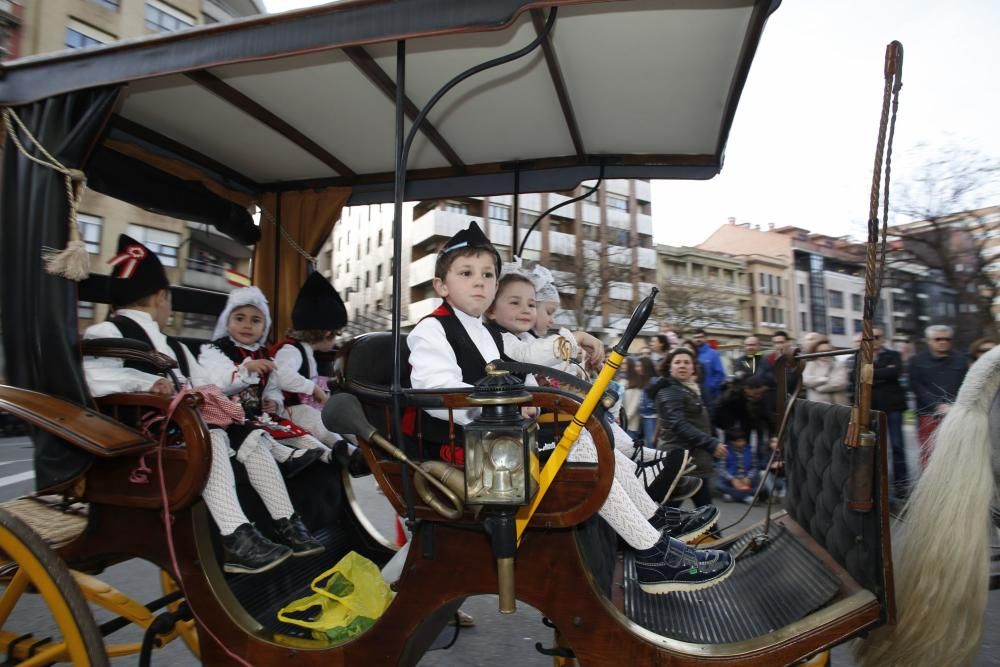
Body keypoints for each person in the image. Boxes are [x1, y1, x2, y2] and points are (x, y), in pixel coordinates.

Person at [409, 223, 734, 594]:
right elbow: (436, 394)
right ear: (442, 285)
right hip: (470, 454)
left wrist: (572, 340)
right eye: (466, 274)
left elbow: (527, 353)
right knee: (578, 442)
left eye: (488, 275)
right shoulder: (432, 330)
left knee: (585, 436)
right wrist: (503, 407)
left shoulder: (483, 332)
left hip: (500, 445)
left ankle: (652, 524)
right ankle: (652, 549)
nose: (480, 282)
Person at [83, 235, 322, 574]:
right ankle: (235, 533)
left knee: (249, 438)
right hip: (141, 435)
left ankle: (287, 523)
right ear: (161, 297)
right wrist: (149, 385)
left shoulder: (171, 346)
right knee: (215, 435)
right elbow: (97, 380)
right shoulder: (109, 333)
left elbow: (205, 387)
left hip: (185, 423)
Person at [199, 287, 334, 471]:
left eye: (255, 320)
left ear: (264, 326)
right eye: (239, 318)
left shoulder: (264, 356)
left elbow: (272, 387)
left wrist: (274, 401)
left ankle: (331, 455)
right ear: (227, 322)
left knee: (297, 433)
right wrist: (246, 369)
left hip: (257, 416)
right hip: (227, 418)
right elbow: (218, 384)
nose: (247, 325)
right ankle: (290, 458)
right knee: (264, 435)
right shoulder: (214, 350)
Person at [271, 273, 367, 476]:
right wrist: (312, 388)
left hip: (300, 407)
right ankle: (351, 455)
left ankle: (369, 450)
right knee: (313, 417)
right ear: (326, 333)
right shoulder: (291, 350)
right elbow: (279, 375)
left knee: (340, 415)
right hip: (281, 410)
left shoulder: (307, 352)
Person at [650, 347, 728, 510]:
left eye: (687, 362)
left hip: (693, 461)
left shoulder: (688, 389)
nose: (682, 365)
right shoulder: (670, 391)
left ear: (693, 367)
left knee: (703, 509)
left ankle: (712, 535)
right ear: (670, 367)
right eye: (677, 362)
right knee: (671, 512)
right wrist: (711, 444)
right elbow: (678, 424)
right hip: (680, 461)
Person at [849, 328, 910, 499]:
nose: (873, 340)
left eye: (876, 337)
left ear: (882, 339)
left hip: (893, 407)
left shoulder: (894, 355)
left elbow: (894, 372)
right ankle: (880, 486)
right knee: (875, 448)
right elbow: (857, 377)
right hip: (871, 408)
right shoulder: (859, 356)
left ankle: (901, 486)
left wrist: (871, 374)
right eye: (869, 337)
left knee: (897, 446)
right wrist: (882, 373)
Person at [908, 324, 968, 468]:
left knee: (956, 453)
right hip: (928, 415)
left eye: (947, 339)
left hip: (955, 414)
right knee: (929, 454)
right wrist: (937, 405)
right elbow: (916, 386)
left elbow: (965, 384)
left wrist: (953, 405)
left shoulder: (961, 359)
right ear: (929, 340)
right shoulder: (916, 361)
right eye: (938, 339)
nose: (943, 342)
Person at [801, 340, 850, 405]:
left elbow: (840, 383)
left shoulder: (839, 365)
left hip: (838, 405)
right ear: (816, 352)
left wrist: (820, 388)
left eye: (827, 351)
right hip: (816, 405)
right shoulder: (810, 365)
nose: (825, 354)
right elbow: (806, 380)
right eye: (821, 351)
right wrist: (825, 379)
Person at [691, 328, 726, 410]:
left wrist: (709, 388)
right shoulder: (692, 354)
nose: (698, 339)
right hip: (694, 397)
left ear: (705, 338)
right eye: (695, 337)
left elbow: (720, 374)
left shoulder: (713, 354)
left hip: (710, 398)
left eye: (700, 337)